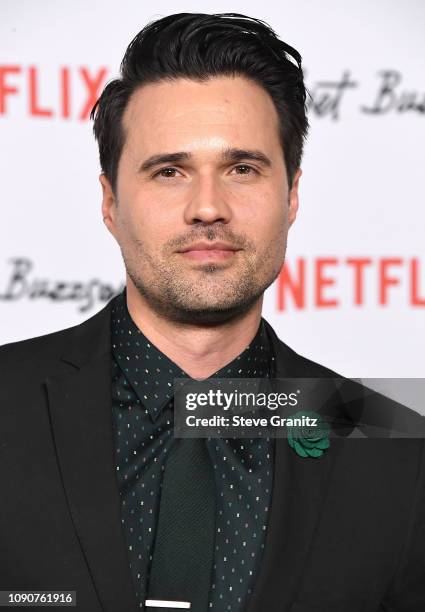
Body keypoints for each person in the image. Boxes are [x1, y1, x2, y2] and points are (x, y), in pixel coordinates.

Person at [0, 12, 424, 612]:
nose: (207, 207)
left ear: (292, 196)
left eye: (242, 169)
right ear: (110, 202)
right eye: (169, 171)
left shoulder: (392, 447)